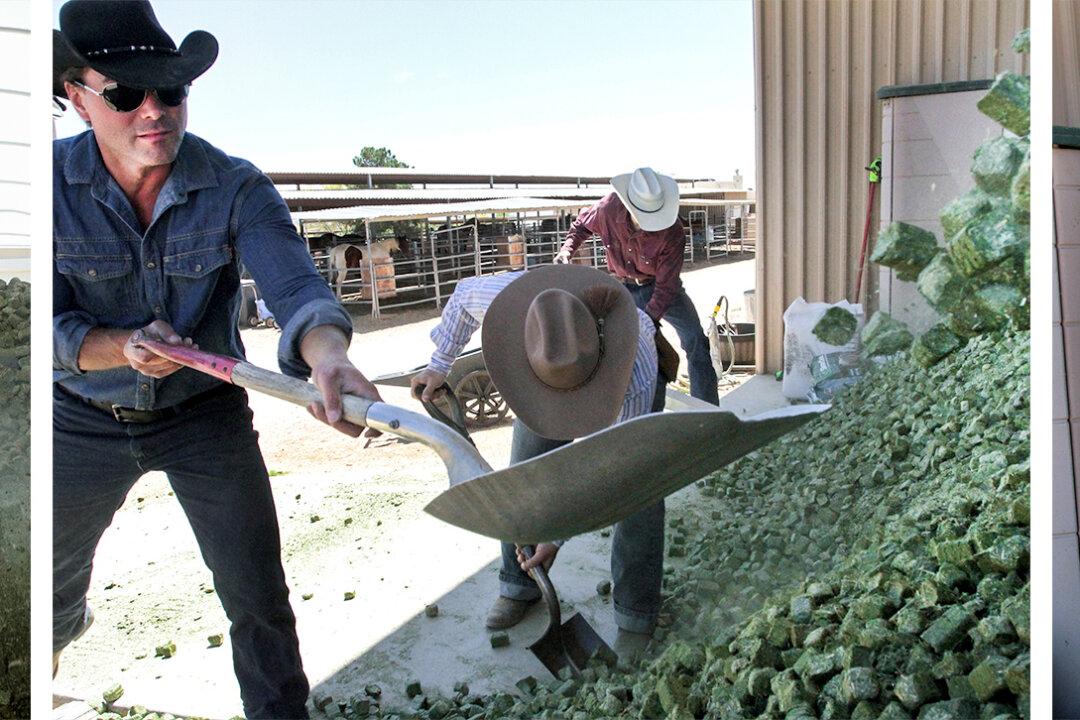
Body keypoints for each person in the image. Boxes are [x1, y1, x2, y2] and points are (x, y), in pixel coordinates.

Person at [52, 3, 382, 717]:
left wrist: (327, 356)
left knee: (258, 598)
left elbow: (295, 286)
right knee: (40, 592)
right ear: (76, 97)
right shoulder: (39, 187)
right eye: (124, 93)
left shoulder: (235, 184)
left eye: (170, 90)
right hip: (77, 417)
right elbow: (40, 321)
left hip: (203, 416)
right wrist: (121, 346)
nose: (154, 111)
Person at [411, 264, 673, 659]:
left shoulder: (633, 373)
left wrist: (555, 536)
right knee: (525, 476)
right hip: (547, 375)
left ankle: (636, 611)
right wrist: (438, 364)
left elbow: (611, 468)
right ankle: (519, 585)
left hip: (623, 376)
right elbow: (464, 296)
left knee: (638, 492)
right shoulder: (517, 304)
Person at [555, 167, 720, 405]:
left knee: (695, 340)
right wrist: (566, 250)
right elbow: (581, 225)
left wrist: (648, 321)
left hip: (660, 288)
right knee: (615, 350)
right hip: (622, 289)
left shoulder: (672, 231)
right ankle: (616, 409)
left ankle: (707, 410)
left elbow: (666, 287)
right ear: (630, 207)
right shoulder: (607, 209)